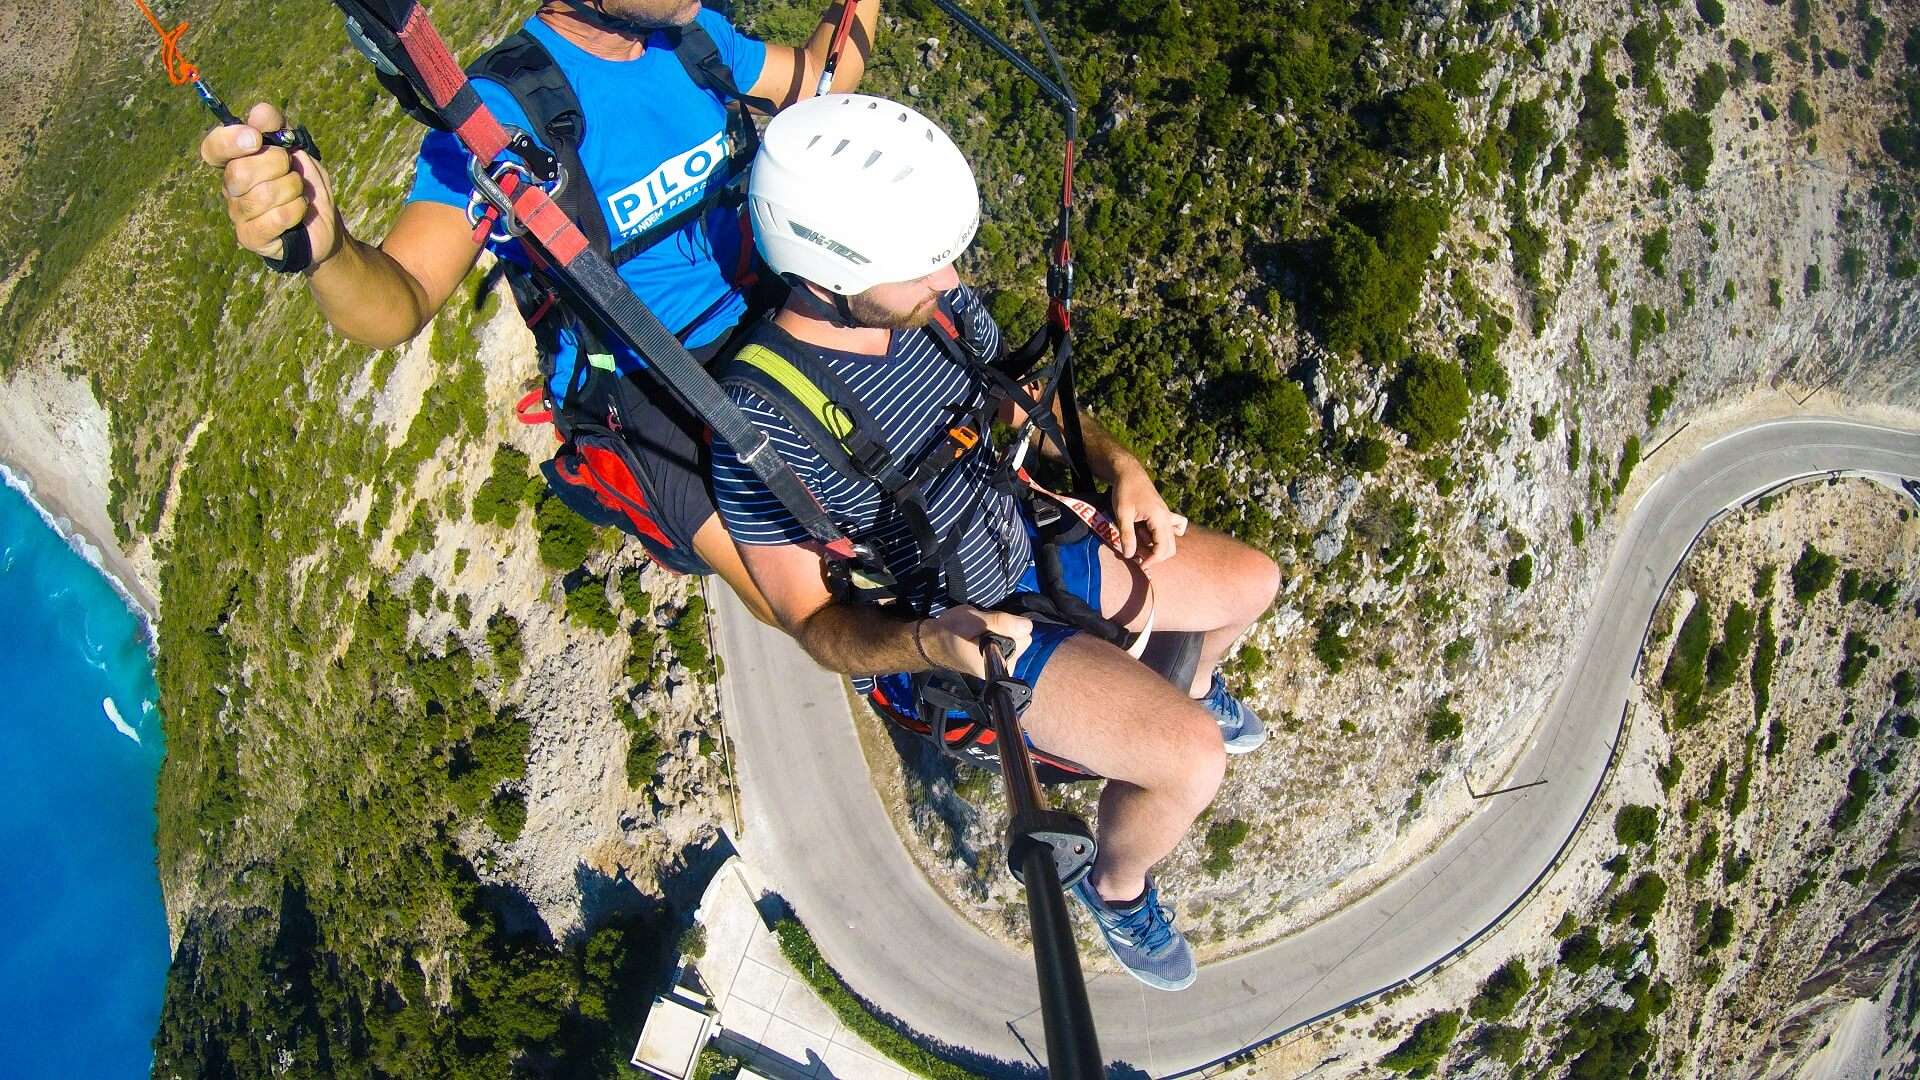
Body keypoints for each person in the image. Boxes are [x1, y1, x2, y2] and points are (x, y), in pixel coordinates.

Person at [706, 93, 1281, 991]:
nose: (951, 281)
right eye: (925, 267)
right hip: (965, 632)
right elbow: (813, 621)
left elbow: (1012, 398)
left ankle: (1196, 682)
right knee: (1189, 762)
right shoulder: (761, 423)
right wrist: (928, 643)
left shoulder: (927, 307)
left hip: (1028, 536)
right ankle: (1119, 889)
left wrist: (1119, 463)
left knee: (1254, 582)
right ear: (826, 270)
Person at [198, 0, 883, 624]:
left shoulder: (692, 39)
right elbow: (399, 300)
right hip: (643, 381)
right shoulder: (500, 115)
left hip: (760, 310)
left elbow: (824, 74)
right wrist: (328, 253)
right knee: (803, 599)